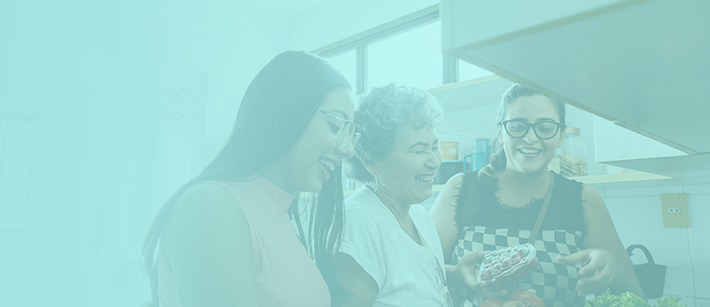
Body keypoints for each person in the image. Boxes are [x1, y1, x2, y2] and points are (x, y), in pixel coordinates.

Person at [141, 50, 359, 307]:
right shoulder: (211, 205)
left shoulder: (281, 217)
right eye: (336, 126)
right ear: (288, 110)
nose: (348, 150)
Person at [429, 84, 644, 307]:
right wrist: (457, 274)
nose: (531, 138)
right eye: (518, 126)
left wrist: (614, 269)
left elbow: (636, 299)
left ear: (560, 136)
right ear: (500, 132)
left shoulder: (584, 200)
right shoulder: (461, 190)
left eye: (545, 127)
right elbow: (416, 273)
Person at [335, 83, 490, 307]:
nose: (435, 161)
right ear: (370, 160)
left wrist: (457, 274)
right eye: (419, 149)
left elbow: (411, 283)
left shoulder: (418, 214)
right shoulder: (358, 224)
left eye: (435, 146)